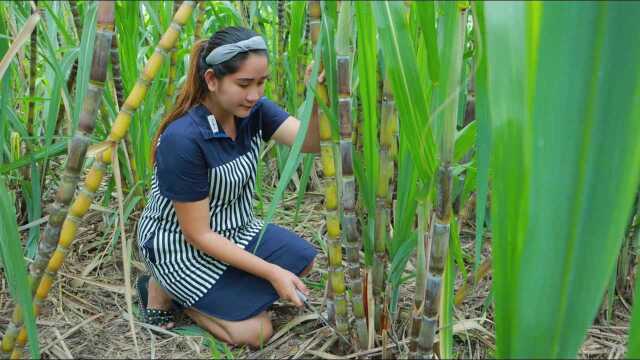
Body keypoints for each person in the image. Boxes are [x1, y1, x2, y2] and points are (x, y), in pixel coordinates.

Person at [135, 26, 321, 348]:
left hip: (237, 229)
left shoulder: (253, 112)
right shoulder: (183, 139)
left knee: (305, 260)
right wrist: (272, 273)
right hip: (179, 246)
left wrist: (318, 97)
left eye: (261, 83)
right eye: (244, 84)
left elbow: (311, 142)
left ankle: (212, 290)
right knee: (256, 332)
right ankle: (167, 290)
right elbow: (198, 234)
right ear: (211, 80)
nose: (255, 94)